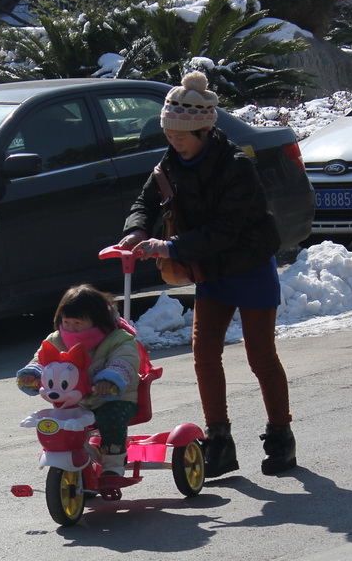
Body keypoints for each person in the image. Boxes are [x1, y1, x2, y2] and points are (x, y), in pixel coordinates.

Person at [119, 71, 296, 477]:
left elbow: (227, 229)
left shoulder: (236, 166)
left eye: (180, 135)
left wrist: (171, 247)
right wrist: (136, 231)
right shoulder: (171, 161)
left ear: (202, 130)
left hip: (249, 266)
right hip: (210, 271)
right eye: (168, 133)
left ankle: (280, 437)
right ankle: (219, 441)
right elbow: (146, 199)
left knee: (261, 358)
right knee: (204, 357)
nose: (173, 141)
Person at [16, 284, 140, 476]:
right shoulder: (57, 339)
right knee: (56, 420)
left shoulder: (117, 339)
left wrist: (109, 379)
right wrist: (33, 373)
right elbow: (43, 359)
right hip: (75, 399)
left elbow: (125, 361)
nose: (71, 329)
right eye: (66, 322)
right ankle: (75, 459)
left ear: (97, 322)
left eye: (77, 323)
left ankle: (113, 462)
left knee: (110, 418)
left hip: (113, 398)